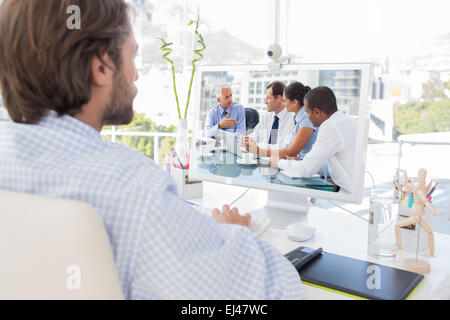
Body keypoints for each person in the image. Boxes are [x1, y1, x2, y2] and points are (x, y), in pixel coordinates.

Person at [0, 0, 301, 299]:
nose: (135, 75)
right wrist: (229, 233)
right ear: (101, 67)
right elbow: (277, 291)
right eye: (132, 55)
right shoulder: (134, 191)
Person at [270, 86, 357, 193]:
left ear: (316, 112)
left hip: (343, 195)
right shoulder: (346, 121)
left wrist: (279, 162)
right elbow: (329, 164)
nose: (307, 117)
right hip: (347, 190)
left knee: (296, 202)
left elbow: (306, 169)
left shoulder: (330, 126)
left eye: (307, 112)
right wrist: (301, 162)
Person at [245, 82, 317, 160]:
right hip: (298, 161)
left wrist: (259, 150)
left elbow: (291, 151)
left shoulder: (305, 117)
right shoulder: (298, 117)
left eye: (285, 101)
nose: (284, 104)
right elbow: (292, 151)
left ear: (295, 103)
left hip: (308, 165)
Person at [242, 81, 294, 154]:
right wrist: (246, 140)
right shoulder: (267, 116)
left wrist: (257, 146)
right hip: (262, 158)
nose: (265, 102)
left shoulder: (292, 118)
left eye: (268, 98)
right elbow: (255, 134)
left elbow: (283, 147)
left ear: (278, 98)